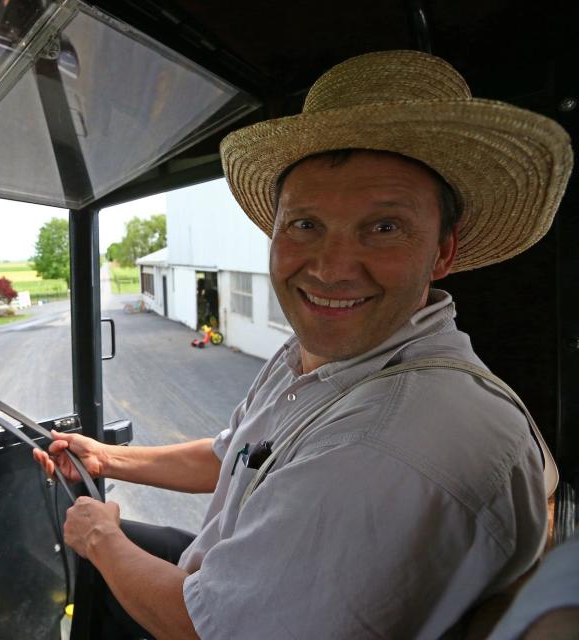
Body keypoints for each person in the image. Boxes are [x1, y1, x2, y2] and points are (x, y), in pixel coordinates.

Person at [35, 50, 572, 639]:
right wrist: (107, 459)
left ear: (443, 251)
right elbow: (234, 455)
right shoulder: (320, 359)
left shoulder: (394, 439)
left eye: (384, 227)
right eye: (305, 225)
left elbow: (202, 628)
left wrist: (98, 534)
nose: (332, 268)